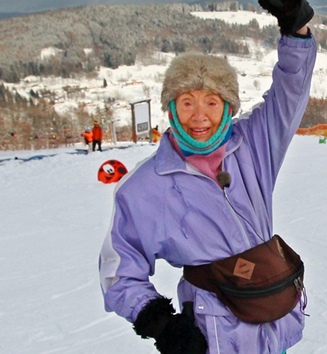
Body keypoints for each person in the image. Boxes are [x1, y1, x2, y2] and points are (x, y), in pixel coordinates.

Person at [98, 0, 315, 353]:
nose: (200, 117)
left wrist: (297, 27)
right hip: (216, 334)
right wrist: (159, 322)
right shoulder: (147, 186)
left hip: (275, 323)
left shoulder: (253, 145)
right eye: (187, 102)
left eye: (212, 102)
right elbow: (118, 269)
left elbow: (290, 92)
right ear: (171, 108)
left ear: (228, 107)